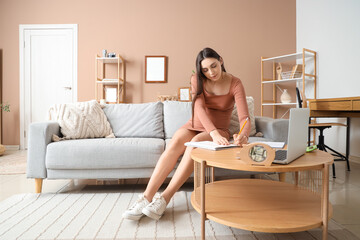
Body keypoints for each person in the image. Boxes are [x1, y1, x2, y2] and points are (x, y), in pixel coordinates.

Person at [122, 47, 251, 221]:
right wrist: (212, 133)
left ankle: (164, 199)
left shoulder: (235, 83)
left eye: (213, 66)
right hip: (195, 126)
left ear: (221, 60)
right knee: (175, 144)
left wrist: (244, 134)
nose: (211, 73)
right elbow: (198, 108)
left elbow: (244, 118)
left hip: (220, 130)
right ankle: (146, 197)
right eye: (205, 70)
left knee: (195, 143)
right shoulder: (197, 79)